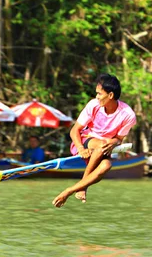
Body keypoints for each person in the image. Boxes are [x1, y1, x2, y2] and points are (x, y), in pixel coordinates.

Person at [52, 74, 136, 207]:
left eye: (99, 94)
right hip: (84, 141)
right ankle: (83, 186)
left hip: (103, 149)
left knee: (106, 166)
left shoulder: (128, 115)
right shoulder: (93, 105)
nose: (96, 97)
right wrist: (81, 148)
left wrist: (113, 142)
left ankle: (70, 190)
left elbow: (119, 139)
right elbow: (74, 130)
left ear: (110, 95)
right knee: (102, 144)